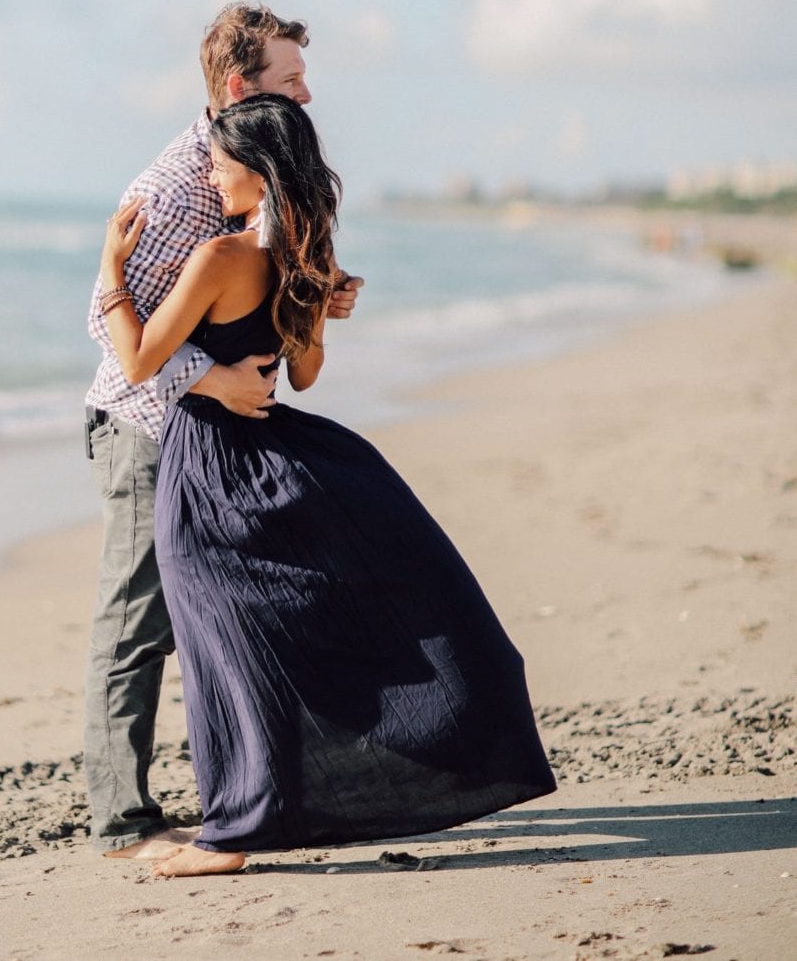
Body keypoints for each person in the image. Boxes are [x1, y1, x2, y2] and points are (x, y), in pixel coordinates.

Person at [99, 93, 557, 878]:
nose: (210, 175)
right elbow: (304, 376)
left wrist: (112, 269)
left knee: (225, 648)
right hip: (277, 452)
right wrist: (312, 308)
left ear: (257, 170)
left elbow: (137, 360)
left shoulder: (219, 257)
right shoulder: (303, 258)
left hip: (207, 468)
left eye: (219, 162)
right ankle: (247, 819)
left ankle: (229, 836)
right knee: (262, 642)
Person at [83, 4, 363, 861]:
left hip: (229, 445)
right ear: (240, 88)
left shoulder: (273, 170)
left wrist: (321, 297)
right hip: (147, 432)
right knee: (139, 624)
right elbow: (105, 330)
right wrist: (207, 375)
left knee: (248, 615)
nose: (308, 92)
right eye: (290, 78)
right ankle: (121, 823)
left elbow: (276, 306)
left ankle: (264, 796)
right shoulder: (171, 188)